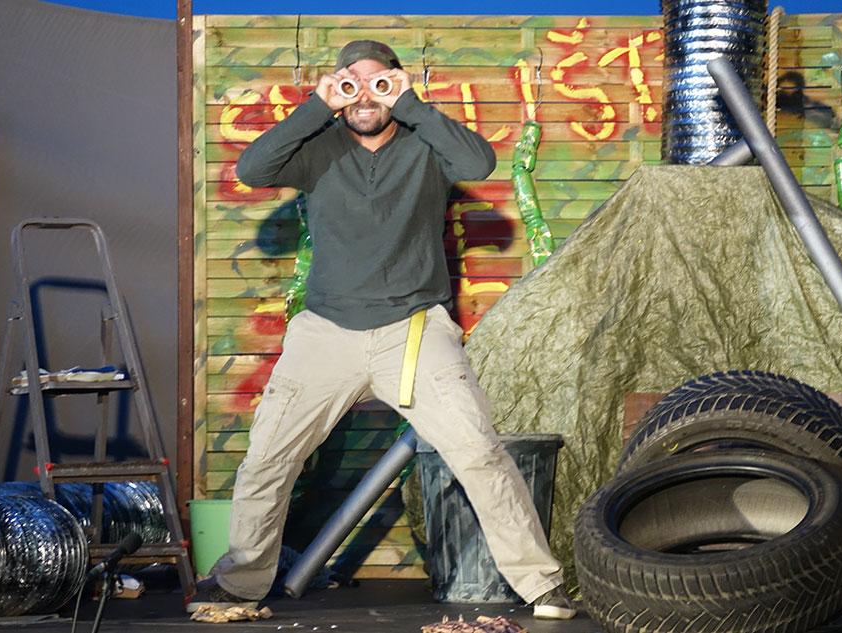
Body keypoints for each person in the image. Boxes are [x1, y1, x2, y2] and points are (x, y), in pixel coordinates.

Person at [187, 39, 576, 621]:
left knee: (479, 453)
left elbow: (478, 164)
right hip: (326, 331)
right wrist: (319, 104)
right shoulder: (319, 147)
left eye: (379, 82)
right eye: (353, 83)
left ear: (398, 84)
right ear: (338, 91)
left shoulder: (424, 143)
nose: (366, 95)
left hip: (413, 330)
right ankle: (242, 581)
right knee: (268, 459)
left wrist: (409, 103)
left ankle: (541, 584)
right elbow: (252, 169)